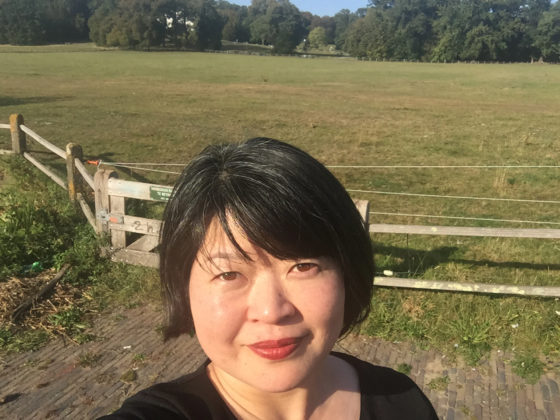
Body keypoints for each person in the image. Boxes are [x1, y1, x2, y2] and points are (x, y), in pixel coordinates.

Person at [100, 138, 437, 419]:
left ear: (348, 272)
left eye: (302, 267)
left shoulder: (403, 403)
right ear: (183, 288)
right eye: (228, 274)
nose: (272, 311)